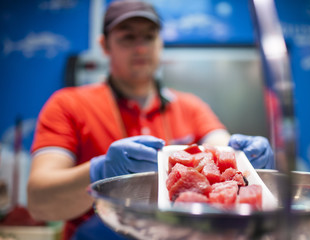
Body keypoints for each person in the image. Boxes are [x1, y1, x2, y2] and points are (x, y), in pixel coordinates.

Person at [27, 1, 275, 239]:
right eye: (128, 37)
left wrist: (245, 157)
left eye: (149, 36)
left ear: (160, 42)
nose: (141, 47)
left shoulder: (190, 107)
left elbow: (222, 147)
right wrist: (98, 171)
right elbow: (39, 203)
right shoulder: (67, 104)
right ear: (104, 45)